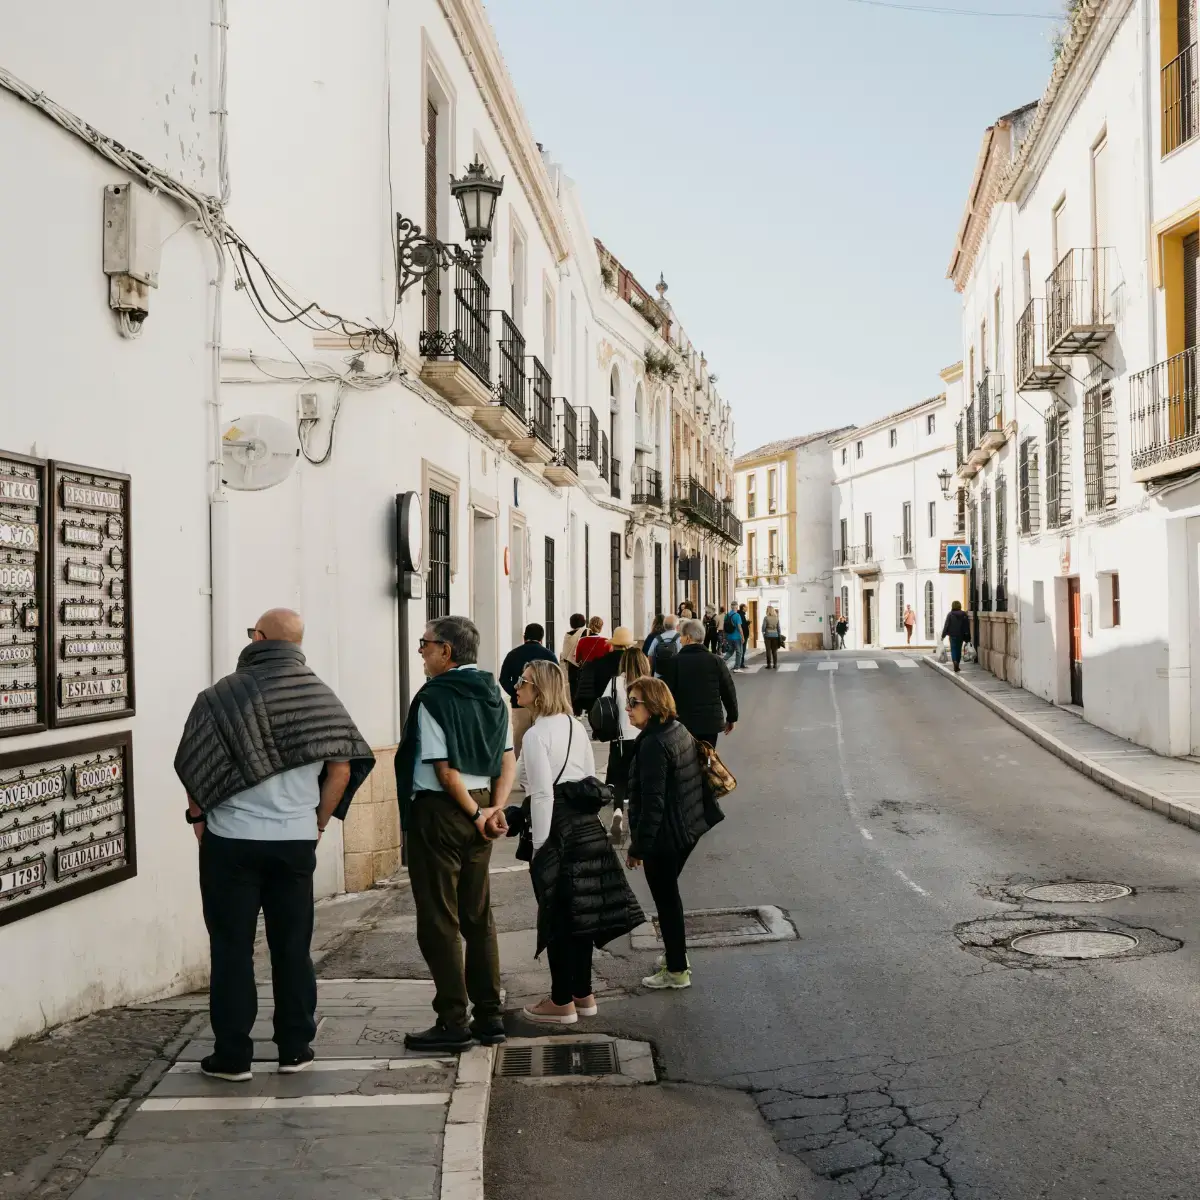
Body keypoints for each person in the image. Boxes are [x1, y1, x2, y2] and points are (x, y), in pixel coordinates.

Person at [174, 608, 376, 1081]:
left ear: (259, 639)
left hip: (231, 841)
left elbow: (193, 762)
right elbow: (342, 770)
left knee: (231, 949)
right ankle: (295, 1048)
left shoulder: (220, 696)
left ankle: (232, 1056)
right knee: (292, 947)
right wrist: (318, 824)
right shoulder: (321, 698)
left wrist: (199, 818)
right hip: (294, 843)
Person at [393, 616, 516, 1052]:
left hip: (444, 812)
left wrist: (476, 810)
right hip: (481, 806)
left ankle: (451, 1021)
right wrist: (492, 810)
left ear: (447, 650)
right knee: (478, 915)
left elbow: (444, 772)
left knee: (439, 918)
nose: (421, 652)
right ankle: (490, 1016)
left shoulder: (434, 697)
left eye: (425, 644)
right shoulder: (494, 695)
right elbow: (507, 760)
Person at [514, 661, 643, 1024]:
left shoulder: (536, 735)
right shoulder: (573, 725)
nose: (517, 688)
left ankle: (560, 1001)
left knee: (556, 916)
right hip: (587, 827)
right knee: (581, 914)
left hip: (556, 830)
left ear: (539, 690)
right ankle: (583, 994)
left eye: (523, 682)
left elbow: (541, 794)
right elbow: (590, 776)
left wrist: (540, 849)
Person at [625, 677, 713, 990]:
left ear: (653, 705)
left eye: (634, 702)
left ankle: (677, 970)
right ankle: (675, 955)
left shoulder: (653, 744)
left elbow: (653, 803)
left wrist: (639, 848)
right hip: (688, 827)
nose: (628, 708)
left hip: (667, 835)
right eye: (628, 701)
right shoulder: (676, 729)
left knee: (666, 901)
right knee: (668, 897)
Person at [659, 619, 737, 746]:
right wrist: (732, 717)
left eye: (682, 637)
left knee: (685, 759)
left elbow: (666, 693)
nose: (680, 640)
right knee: (707, 757)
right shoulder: (716, 661)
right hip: (710, 724)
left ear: (688, 638)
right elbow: (728, 690)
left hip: (683, 723)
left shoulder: (674, 662)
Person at [607, 646, 652, 844]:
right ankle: (637, 824)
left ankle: (617, 812)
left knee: (620, 780)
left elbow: (604, 703)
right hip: (644, 735)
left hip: (620, 738)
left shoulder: (616, 682)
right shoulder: (650, 685)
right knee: (640, 781)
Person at [499, 623, 558, 757]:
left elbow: (503, 678)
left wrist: (516, 693)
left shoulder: (513, 654)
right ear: (542, 638)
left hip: (520, 706)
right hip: (544, 704)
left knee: (519, 742)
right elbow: (556, 679)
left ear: (524, 637)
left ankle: (521, 772)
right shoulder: (549, 655)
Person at [576, 625, 636, 714]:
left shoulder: (598, 662)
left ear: (613, 643)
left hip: (604, 708)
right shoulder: (633, 663)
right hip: (628, 707)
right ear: (628, 645)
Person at [560, 613, 587, 713]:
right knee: (583, 687)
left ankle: (577, 711)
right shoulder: (585, 632)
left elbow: (565, 652)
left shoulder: (567, 635)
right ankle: (584, 709)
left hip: (571, 665)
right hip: (583, 664)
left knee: (573, 688)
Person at [941, 600, 972, 674]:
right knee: (959, 649)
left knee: (953, 649)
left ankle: (954, 661)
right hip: (961, 635)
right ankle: (957, 663)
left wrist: (943, 635)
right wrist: (968, 637)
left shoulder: (950, 614)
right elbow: (967, 626)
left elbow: (946, 626)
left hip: (952, 635)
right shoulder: (964, 614)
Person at [722, 604, 745, 669]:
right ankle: (737, 667)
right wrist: (742, 636)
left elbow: (724, 627)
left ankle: (722, 661)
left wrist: (724, 637)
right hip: (737, 637)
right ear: (736, 607)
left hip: (729, 637)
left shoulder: (727, 615)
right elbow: (739, 627)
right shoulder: (737, 615)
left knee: (730, 651)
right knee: (739, 652)